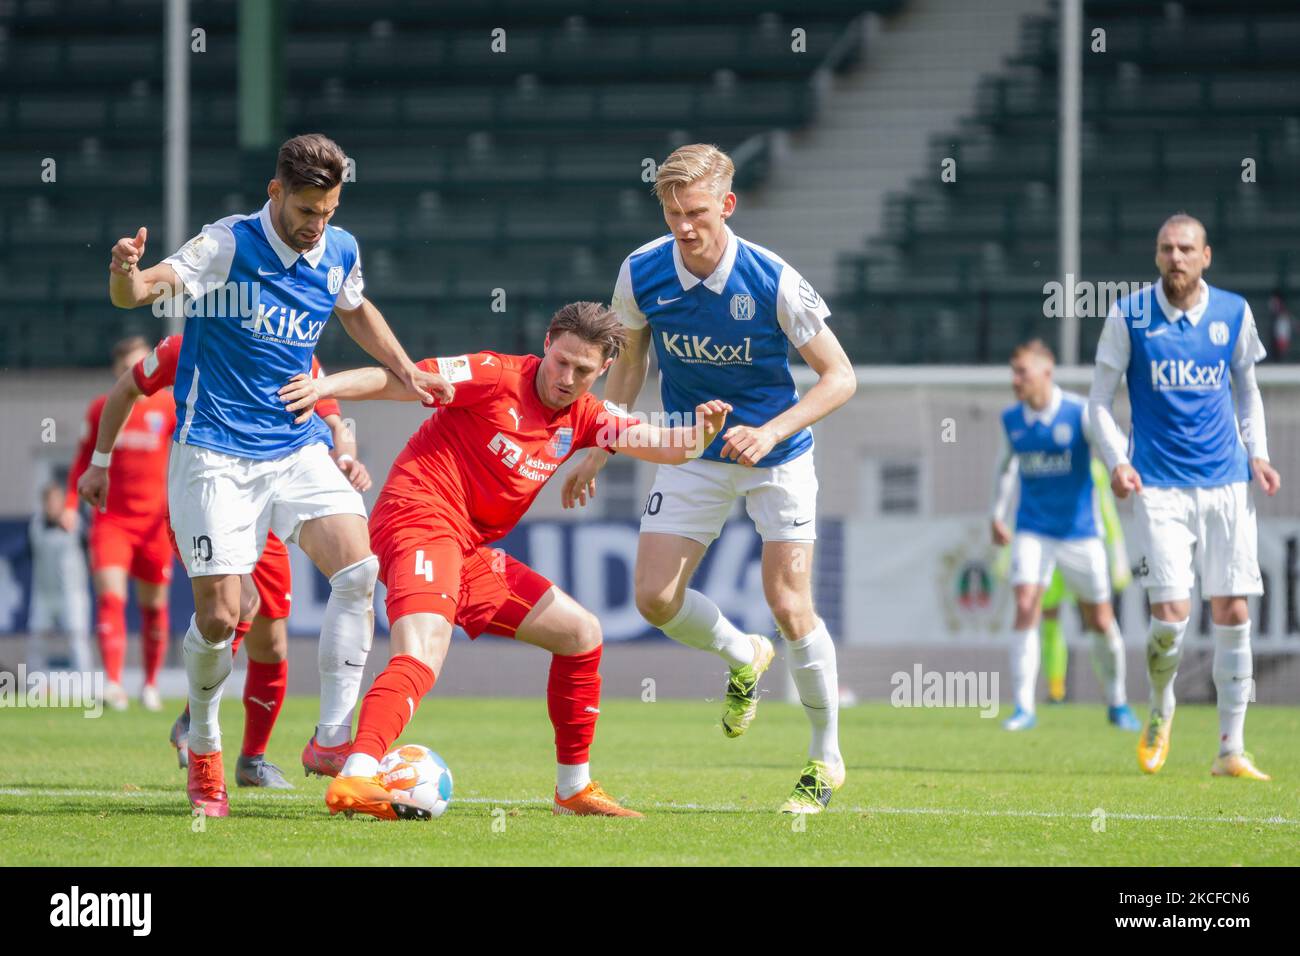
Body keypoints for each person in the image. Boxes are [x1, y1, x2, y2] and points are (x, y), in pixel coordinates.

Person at [283, 301, 731, 820]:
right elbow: (400, 380)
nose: (566, 378)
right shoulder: (494, 376)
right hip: (418, 517)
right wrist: (325, 388)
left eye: (582, 370)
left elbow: (662, 446)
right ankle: (357, 773)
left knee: (580, 634)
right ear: (547, 344)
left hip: (467, 547)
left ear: (603, 370)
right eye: (561, 361)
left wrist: (700, 435)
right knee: (425, 650)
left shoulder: (586, 415)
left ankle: (573, 790)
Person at [105, 133, 442, 816]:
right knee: (221, 617)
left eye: (328, 210)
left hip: (294, 444)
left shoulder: (339, 249)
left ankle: (330, 738)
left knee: (359, 571)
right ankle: (204, 745)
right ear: (276, 192)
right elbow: (140, 292)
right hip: (216, 453)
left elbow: (355, 309)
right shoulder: (228, 244)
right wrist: (125, 272)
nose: (316, 224)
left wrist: (405, 368)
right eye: (305, 210)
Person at [561, 144, 857, 813]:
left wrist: (773, 429)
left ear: (726, 205)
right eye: (672, 213)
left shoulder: (771, 279)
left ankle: (826, 759)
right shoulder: (641, 271)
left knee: (790, 604)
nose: (683, 226)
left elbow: (840, 377)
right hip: (692, 451)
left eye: (695, 212)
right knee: (653, 599)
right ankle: (743, 655)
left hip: (775, 458)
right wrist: (602, 443)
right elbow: (628, 363)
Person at [79, 333, 371, 788]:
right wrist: (98, 463)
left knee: (272, 643)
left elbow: (333, 413)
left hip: (269, 504)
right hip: (208, 496)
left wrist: (346, 453)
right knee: (235, 607)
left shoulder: (289, 336)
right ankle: (195, 730)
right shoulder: (189, 343)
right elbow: (126, 387)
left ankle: (252, 760)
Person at [1089, 213, 1280, 779]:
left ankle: (1230, 749)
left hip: (1226, 483)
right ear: (1156, 256)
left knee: (1234, 609)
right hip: (1159, 487)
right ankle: (1160, 705)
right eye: (1167, 248)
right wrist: (1118, 462)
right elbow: (1098, 401)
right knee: (1170, 618)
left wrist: (1259, 453)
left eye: (1186, 248)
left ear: (1206, 256)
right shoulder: (1130, 314)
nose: (1176, 257)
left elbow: (1248, 390)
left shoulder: (1233, 313)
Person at [990, 340, 1138, 732]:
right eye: (1013, 372)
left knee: (1100, 620)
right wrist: (997, 514)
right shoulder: (1012, 420)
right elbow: (1005, 468)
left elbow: (1110, 441)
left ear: (1046, 372)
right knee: (1026, 606)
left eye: (1023, 372)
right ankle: (1024, 707)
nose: (1016, 380)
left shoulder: (1078, 412)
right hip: (1032, 530)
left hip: (1080, 534)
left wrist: (1120, 465)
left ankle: (1117, 702)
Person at [65, 336, 175, 710]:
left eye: (146, 362)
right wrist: (68, 504)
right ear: (119, 369)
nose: (143, 370)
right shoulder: (102, 409)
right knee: (111, 597)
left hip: (155, 523)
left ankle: (150, 685)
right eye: (133, 363)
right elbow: (82, 460)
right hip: (111, 519)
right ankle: (113, 682)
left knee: (154, 604)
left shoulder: (169, 406)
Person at [1036, 458, 1133, 705]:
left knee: (1098, 621)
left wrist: (1117, 556)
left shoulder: (1093, 469)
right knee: (1048, 621)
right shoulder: (1045, 462)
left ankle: (1110, 690)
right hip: (1051, 554)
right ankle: (1056, 689)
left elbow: (1107, 513)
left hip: (1083, 550)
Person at [27, 478, 93, 675]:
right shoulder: (35, 526)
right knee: (36, 640)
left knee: (77, 640)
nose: (52, 505)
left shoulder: (77, 524)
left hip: (72, 595)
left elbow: (89, 552)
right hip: (44, 595)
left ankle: (85, 686)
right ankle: (33, 686)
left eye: (56, 500)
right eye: (48, 501)